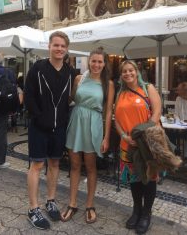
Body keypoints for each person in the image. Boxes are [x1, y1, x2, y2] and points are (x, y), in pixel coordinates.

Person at [24, 31, 75, 230]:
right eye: (56, 45)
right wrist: (39, 116)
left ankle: (51, 200)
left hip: (59, 127)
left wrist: (62, 119)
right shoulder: (38, 68)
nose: (59, 49)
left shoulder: (70, 72)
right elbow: (28, 96)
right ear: (49, 46)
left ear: (66, 48)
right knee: (37, 165)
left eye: (63, 46)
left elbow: (69, 98)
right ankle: (33, 208)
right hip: (39, 126)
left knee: (54, 163)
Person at [61, 47, 114, 224]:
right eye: (94, 61)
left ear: (104, 63)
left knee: (91, 167)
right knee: (74, 165)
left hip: (94, 125)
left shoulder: (109, 84)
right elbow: (69, 100)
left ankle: (90, 204)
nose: (96, 64)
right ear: (89, 61)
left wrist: (106, 137)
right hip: (76, 121)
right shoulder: (79, 78)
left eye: (100, 61)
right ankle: (72, 203)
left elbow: (107, 112)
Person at [114, 60, 161, 234]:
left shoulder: (148, 88)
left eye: (131, 70)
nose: (128, 73)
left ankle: (146, 213)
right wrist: (124, 136)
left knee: (148, 179)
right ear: (121, 75)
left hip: (147, 143)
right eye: (124, 71)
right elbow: (116, 120)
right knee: (134, 179)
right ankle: (136, 210)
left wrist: (142, 134)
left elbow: (156, 113)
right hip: (128, 144)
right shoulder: (120, 94)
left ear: (136, 71)